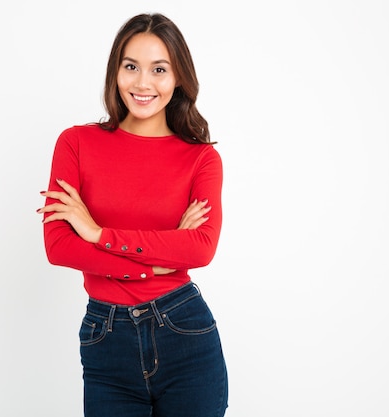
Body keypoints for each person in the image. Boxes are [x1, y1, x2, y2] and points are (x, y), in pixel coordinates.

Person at [37, 12, 228, 417]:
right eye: (131, 67)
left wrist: (96, 233)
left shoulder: (201, 158)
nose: (143, 83)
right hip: (106, 339)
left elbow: (200, 248)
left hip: (185, 333)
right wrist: (152, 266)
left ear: (178, 78)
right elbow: (58, 246)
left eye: (159, 69)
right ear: (115, 72)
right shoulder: (76, 143)